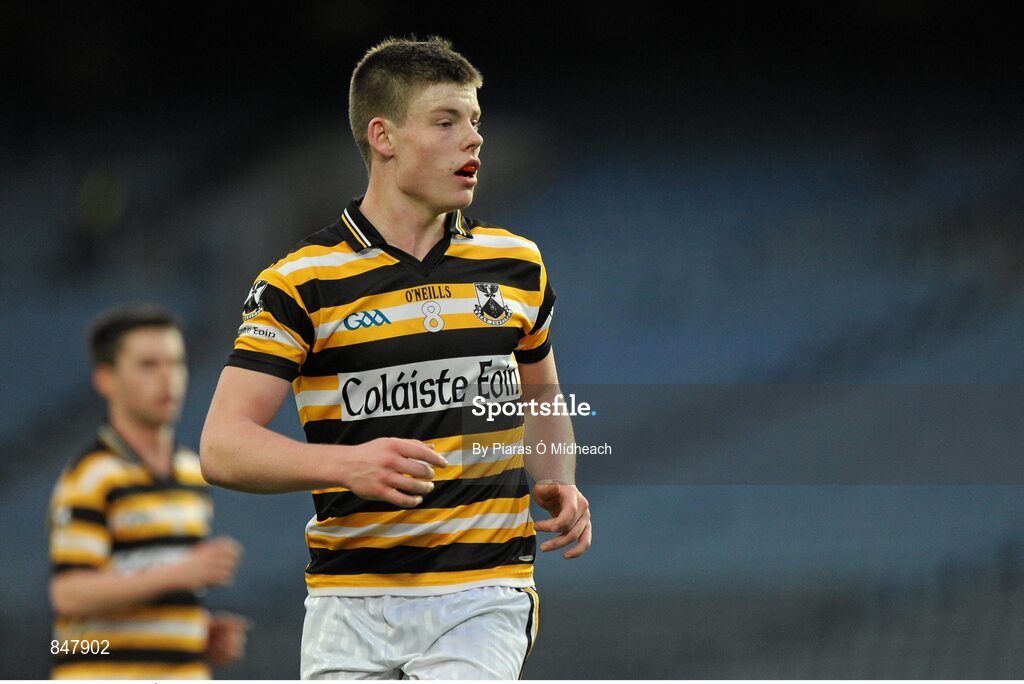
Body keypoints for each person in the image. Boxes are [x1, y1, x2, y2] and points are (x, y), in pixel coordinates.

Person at [200, 36, 592, 679]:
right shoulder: (301, 281)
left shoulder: (516, 264)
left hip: (482, 594)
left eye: (475, 121)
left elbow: (541, 394)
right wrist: (344, 464)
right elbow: (221, 445)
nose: (474, 140)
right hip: (346, 604)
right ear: (383, 137)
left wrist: (560, 475)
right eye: (446, 121)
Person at [48, 304, 251, 679]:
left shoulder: (193, 472)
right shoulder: (92, 476)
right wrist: (180, 573)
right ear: (106, 379)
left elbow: (149, 586)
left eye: (176, 363)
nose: (168, 378)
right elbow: (70, 593)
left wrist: (193, 632)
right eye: (148, 365)